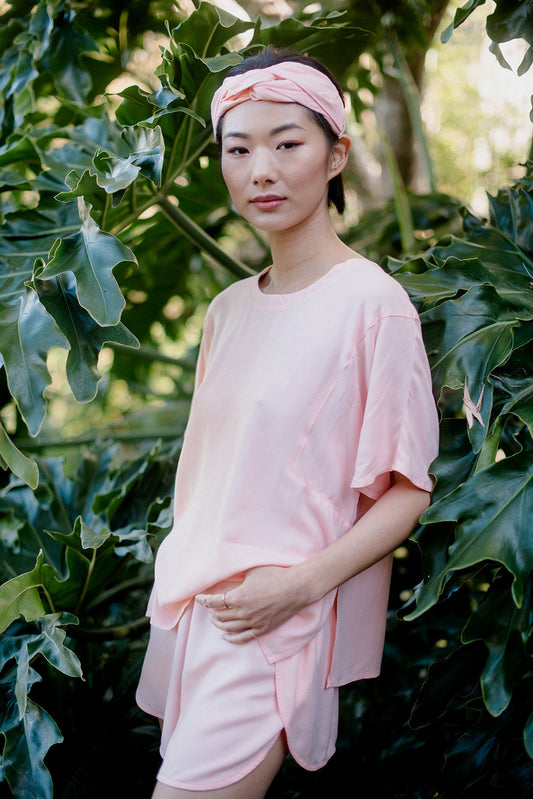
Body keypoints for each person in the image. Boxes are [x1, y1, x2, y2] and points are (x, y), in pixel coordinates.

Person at [136, 47, 440, 799]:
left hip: (273, 628)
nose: (260, 170)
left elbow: (406, 489)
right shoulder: (228, 309)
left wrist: (298, 586)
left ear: (336, 153)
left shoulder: (373, 306)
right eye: (238, 150)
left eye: (287, 143)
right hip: (193, 613)